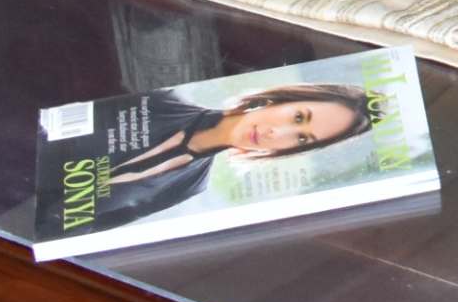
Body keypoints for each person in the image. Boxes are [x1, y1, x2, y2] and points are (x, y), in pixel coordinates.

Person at [85, 81, 372, 232]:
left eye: (301, 138)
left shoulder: (192, 185)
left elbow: (93, 226)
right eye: (298, 117)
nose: (278, 132)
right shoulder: (164, 100)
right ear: (280, 99)